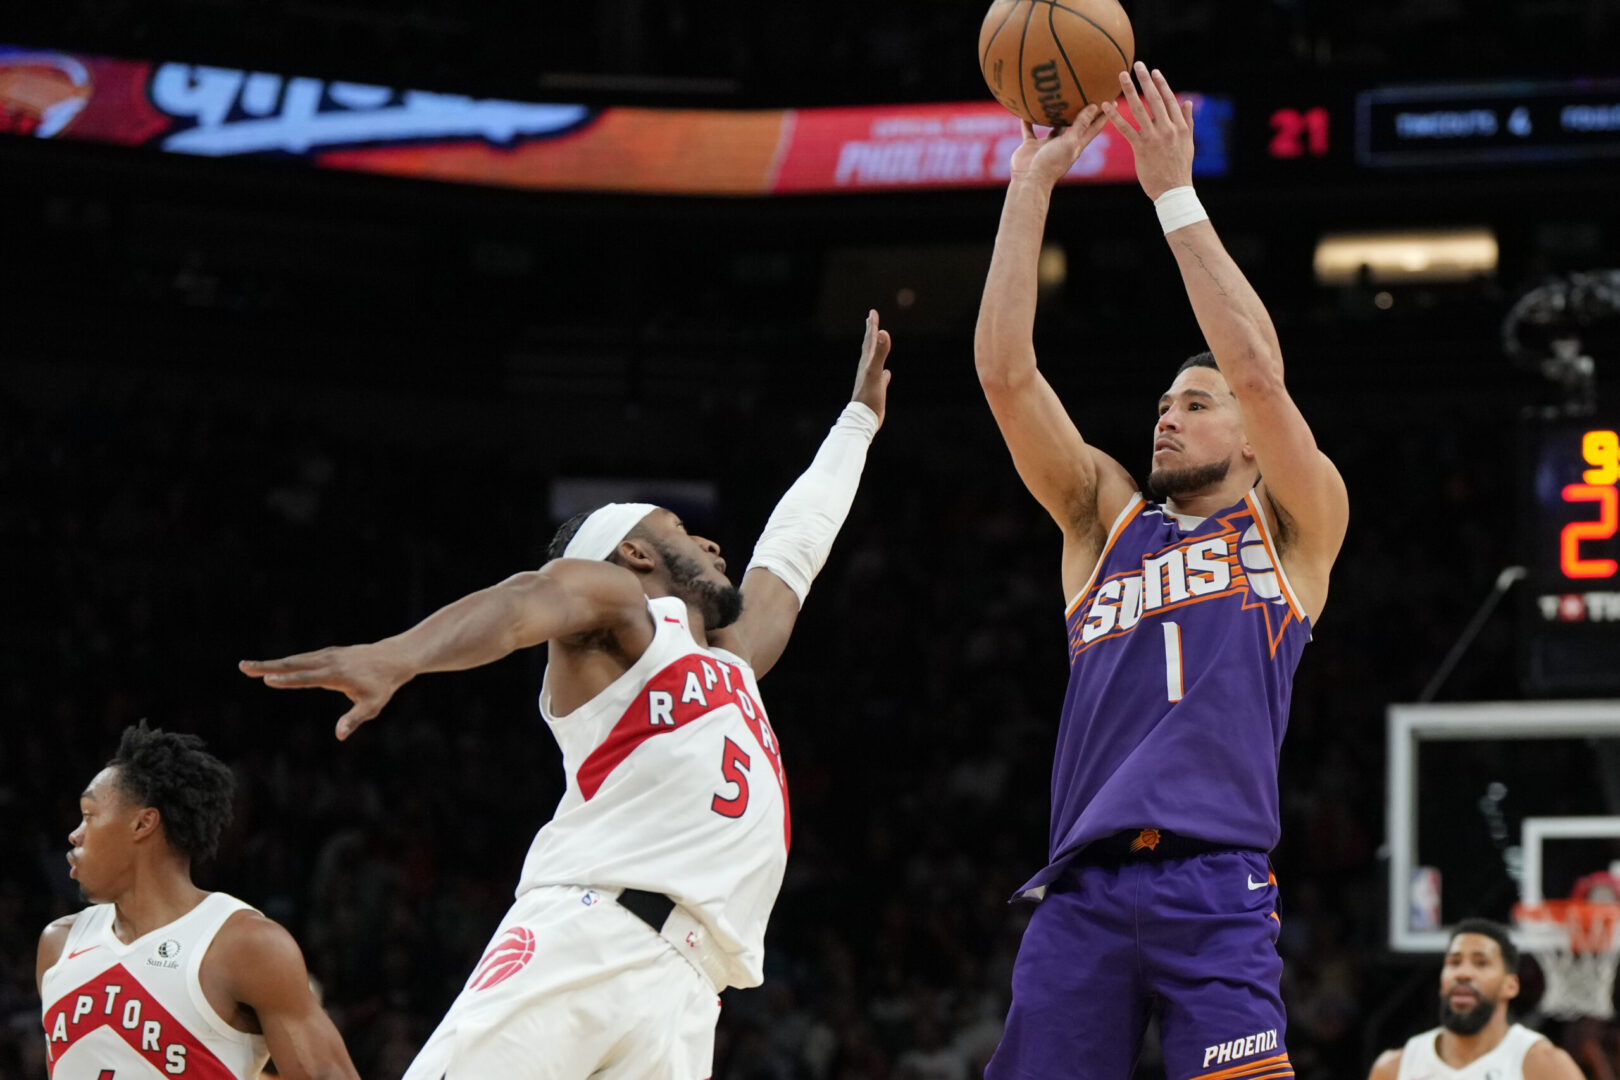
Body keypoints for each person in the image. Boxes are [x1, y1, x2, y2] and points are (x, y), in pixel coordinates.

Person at [239, 311, 893, 1080]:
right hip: (587, 936)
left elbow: (791, 558)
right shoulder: (618, 611)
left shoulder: (729, 659)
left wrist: (857, 423)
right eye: (683, 528)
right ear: (636, 551)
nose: (715, 545)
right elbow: (523, 603)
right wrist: (398, 658)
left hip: (688, 989)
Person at [972, 62, 1350, 1079]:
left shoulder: (1297, 524)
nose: (1166, 415)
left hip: (1215, 891)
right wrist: (1029, 188)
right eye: (1163, 404)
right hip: (1082, 893)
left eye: (1194, 401)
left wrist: (1170, 193)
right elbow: (1006, 377)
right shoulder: (1105, 521)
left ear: (1255, 439)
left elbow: (1260, 371)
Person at [36, 721, 360, 1080]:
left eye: (89, 815)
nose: (74, 834)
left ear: (143, 824)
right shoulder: (58, 944)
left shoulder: (244, 944)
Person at [1368, 919, 1584, 1080]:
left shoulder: (1542, 1064)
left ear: (1510, 985)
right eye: (1454, 962)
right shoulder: (1394, 1068)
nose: (1463, 973)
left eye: (1481, 963)